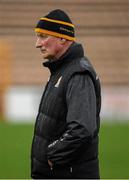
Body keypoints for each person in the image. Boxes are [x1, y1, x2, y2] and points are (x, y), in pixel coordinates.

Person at [31, 9, 101, 179]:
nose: (37, 44)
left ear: (63, 38)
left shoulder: (78, 73)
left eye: (43, 36)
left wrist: (52, 155)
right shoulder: (62, 70)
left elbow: (81, 129)